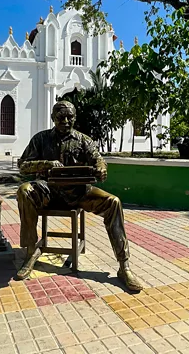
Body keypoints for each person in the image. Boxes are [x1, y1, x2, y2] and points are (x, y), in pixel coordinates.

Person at [16, 100, 143, 291]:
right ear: (52, 118)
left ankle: (124, 265)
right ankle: (30, 252)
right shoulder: (40, 139)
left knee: (113, 202)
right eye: (61, 117)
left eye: (70, 117)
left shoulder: (84, 140)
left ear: (75, 118)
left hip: (79, 193)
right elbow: (23, 166)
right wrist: (46, 164)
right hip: (48, 192)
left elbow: (98, 160)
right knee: (25, 190)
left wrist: (101, 168)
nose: (66, 121)